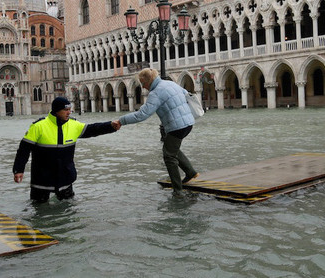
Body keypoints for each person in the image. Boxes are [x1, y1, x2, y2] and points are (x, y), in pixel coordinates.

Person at [13, 96, 120, 203]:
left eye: (70, 109)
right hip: (42, 180)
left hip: (65, 179)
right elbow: (24, 150)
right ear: (56, 110)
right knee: (38, 211)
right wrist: (19, 170)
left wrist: (110, 126)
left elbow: (93, 129)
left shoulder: (74, 125)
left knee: (69, 210)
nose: (69, 112)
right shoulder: (38, 126)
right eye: (66, 110)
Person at [116, 68, 198, 198]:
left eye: (143, 83)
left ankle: (178, 190)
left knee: (169, 156)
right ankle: (191, 172)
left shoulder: (156, 93)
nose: (143, 86)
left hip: (177, 126)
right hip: (188, 122)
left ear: (148, 81)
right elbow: (186, 93)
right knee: (171, 148)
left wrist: (122, 120)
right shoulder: (170, 83)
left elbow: (142, 115)